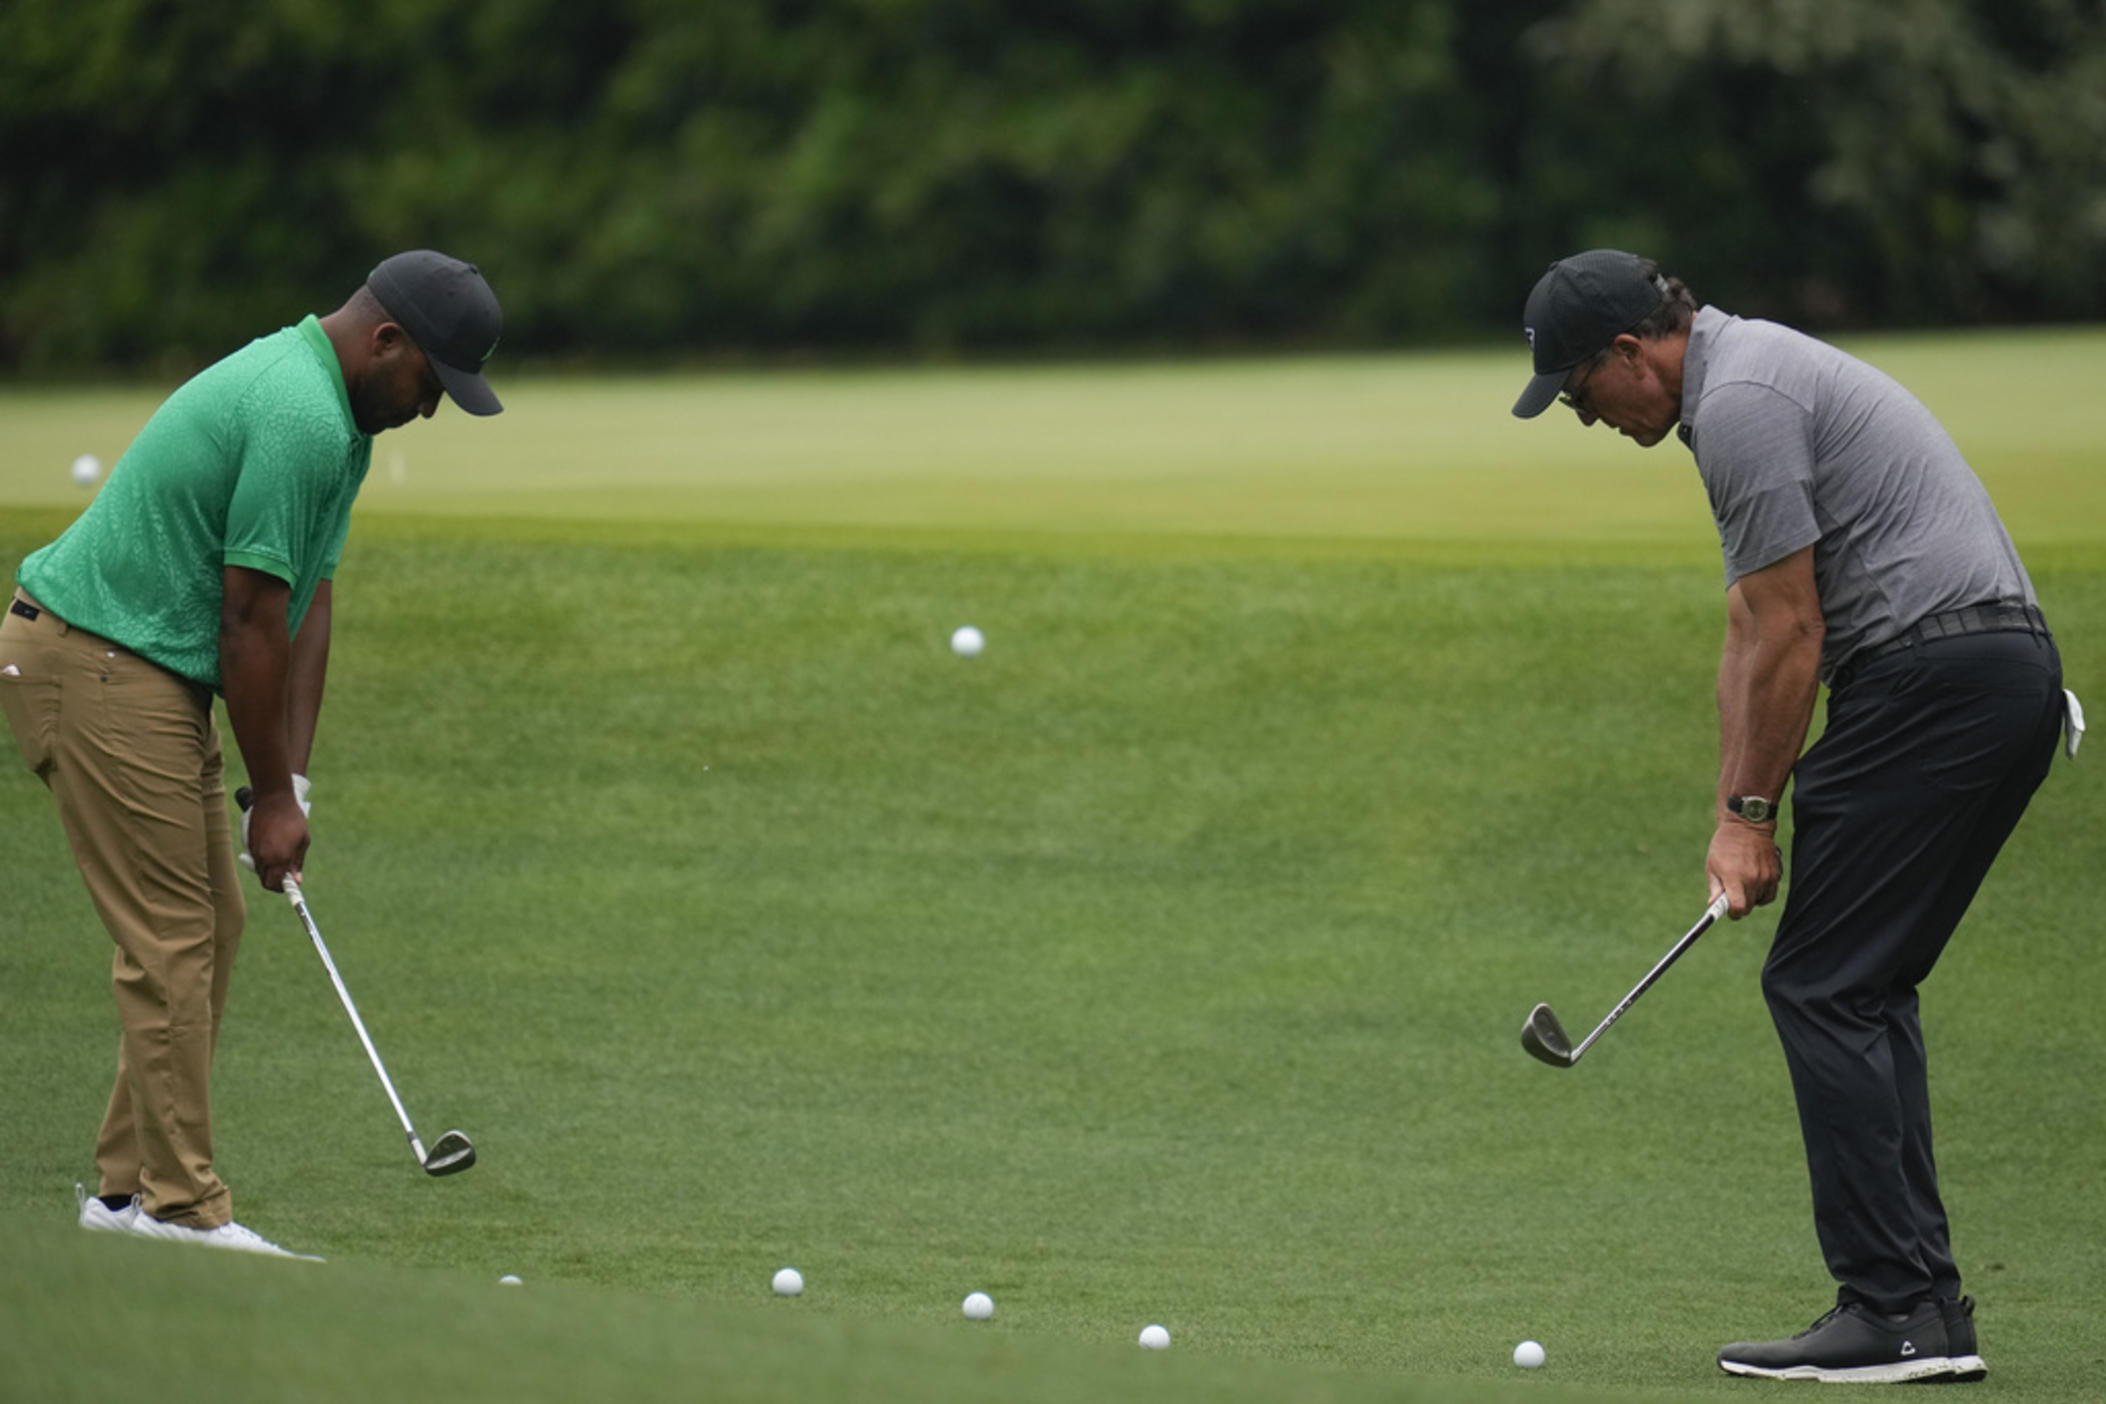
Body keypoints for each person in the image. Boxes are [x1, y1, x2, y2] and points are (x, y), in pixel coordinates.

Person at [1511, 250, 2070, 1384]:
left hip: (1936, 680)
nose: (1585, 419)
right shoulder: (1746, 381)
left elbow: (1794, 635)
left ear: (1630, 352)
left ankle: (1895, 1311)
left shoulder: (1746, 401)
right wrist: (1733, 812)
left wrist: (1753, 818)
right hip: (1976, 679)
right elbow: (1749, 627)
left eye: (1578, 393)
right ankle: (1924, 1314)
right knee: (1857, 983)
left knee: (1823, 984)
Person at [1, 250, 503, 1258]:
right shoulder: (300, 414)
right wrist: (267, 797)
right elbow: (247, 620)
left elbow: (308, 599)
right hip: (97, 658)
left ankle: (124, 1197)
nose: (431, 409)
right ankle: (180, 1208)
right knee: (173, 936)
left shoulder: (341, 424)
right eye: (430, 383)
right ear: (386, 342)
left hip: (137, 665)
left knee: (205, 924)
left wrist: (292, 784)